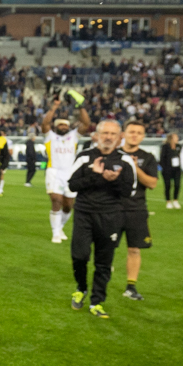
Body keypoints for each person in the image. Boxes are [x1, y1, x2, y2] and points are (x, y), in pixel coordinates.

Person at [68, 119, 137, 319]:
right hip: (84, 214)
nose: (108, 137)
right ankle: (81, 287)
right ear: (96, 135)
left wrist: (113, 181)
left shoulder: (125, 161)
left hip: (110, 216)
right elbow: (72, 185)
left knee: (104, 262)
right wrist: (95, 176)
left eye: (112, 134)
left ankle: (97, 302)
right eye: (104, 133)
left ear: (119, 137)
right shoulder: (84, 157)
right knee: (79, 256)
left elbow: (129, 192)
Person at [41, 96, 95, 243]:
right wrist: (54, 107)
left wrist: (81, 106)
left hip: (70, 173)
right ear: (57, 126)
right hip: (54, 171)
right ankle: (55, 233)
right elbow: (45, 123)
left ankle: (60, 227)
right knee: (56, 200)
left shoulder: (73, 136)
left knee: (68, 206)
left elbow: (86, 123)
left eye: (66, 125)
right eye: (61, 125)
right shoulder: (50, 137)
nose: (63, 127)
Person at [119, 120, 158, 301]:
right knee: (105, 247)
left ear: (143, 136)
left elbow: (152, 183)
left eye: (139, 133)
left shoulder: (148, 157)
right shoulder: (113, 154)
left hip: (136, 209)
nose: (135, 135)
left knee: (134, 249)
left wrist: (135, 168)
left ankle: (131, 287)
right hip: (112, 208)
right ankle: (99, 281)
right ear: (124, 134)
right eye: (131, 131)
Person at [159, 133, 182, 208]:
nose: (177, 138)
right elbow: (162, 158)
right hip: (167, 170)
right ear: (171, 138)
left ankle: (175, 200)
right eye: (176, 137)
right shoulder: (165, 147)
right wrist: (165, 168)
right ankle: (168, 201)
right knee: (168, 185)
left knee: (177, 185)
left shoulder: (179, 146)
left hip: (177, 169)